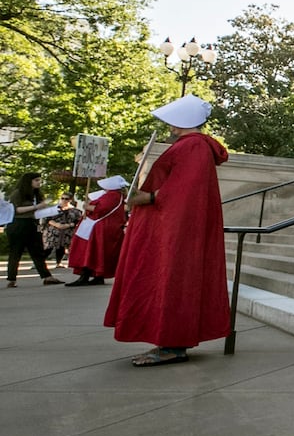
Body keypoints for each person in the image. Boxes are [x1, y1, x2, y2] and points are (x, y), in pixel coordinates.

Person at [105, 95, 231, 366]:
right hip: (173, 226)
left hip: (177, 230)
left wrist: (147, 198)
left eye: (172, 122)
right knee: (168, 280)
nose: (170, 127)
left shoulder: (193, 146)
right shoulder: (192, 146)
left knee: (173, 280)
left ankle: (173, 345)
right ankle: (169, 342)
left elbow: (185, 191)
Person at [65, 176, 128, 287]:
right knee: (98, 252)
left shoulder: (112, 196)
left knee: (89, 251)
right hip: (104, 228)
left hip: (99, 229)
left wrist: (87, 206)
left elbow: (101, 209)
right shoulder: (117, 196)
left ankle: (85, 276)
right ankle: (98, 276)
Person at [5, 173, 65, 287]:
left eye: (39, 180)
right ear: (29, 181)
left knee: (37, 251)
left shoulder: (37, 194)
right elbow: (15, 210)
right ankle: (11, 279)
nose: (39, 182)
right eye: (36, 180)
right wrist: (35, 207)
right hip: (18, 224)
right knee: (16, 252)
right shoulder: (18, 193)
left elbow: (40, 208)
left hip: (32, 223)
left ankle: (47, 276)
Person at [41, 192, 83, 268]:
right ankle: (39, 262)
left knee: (62, 247)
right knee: (49, 247)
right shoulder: (54, 209)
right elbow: (46, 219)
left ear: (70, 200)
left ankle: (58, 262)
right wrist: (57, 225)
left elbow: (78, 221)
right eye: (62, 198)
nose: (64, 200)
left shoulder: (75, 211)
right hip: (53, 231)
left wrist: (68, 225)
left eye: (66, 199)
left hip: (66, 231)